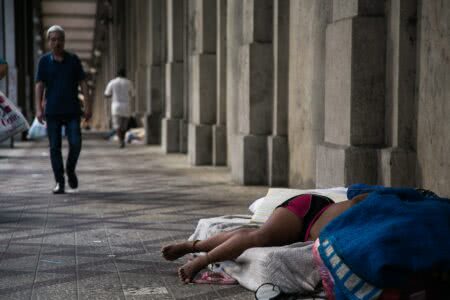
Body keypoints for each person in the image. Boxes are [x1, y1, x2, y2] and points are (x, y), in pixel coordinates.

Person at [162, 191, 370, 283]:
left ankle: (191, 245)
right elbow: (360, 195)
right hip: (310, 209)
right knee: (259, 236)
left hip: (306, 229)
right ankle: (201, 260)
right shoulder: (371, 205)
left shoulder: (369, 235)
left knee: (248, 234)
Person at [35, 25, 92, 194]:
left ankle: (70, 169)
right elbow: (39, 85)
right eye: (53, 39)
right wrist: (38, 108)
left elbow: (83, 83)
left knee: (76, 143)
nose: (57, 42)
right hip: (52, 110)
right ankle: (60, 182)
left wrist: (88, 105)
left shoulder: (73, 59)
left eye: (60, 39)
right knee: (54, 148)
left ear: (64, 41)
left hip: (72, 110)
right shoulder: (44, 61)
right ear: (48, 42)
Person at [104, 68, 135, 148]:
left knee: (117, 125)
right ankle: (123, 140)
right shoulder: (128, 82)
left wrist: (113, 95)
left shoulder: (112, 82)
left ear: (117, 74)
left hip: (116, 106)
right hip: (126, 105)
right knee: (124, 125)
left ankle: (120, 141)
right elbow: (133, 94)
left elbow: (106, 94)